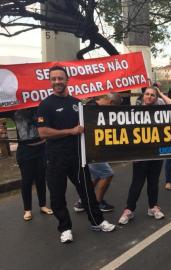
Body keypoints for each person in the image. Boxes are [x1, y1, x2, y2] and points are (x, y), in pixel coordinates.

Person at [37, 66, 115, 244]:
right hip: (55, 158)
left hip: (77, 157)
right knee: (57, 195)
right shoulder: (45, 104)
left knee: (86, 190)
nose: (57, 82)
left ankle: (97, 221)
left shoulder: (77, 103)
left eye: (60, 78)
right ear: (50, 81)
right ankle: (65, 228)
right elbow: (43, 132)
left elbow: (87, 127)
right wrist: (71, 131)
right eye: (54, 79)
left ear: (67, 80)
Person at [119, 87, 171, 224]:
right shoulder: (134, 111)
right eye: (147, 94)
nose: (149, 97)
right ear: (143, 96)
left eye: (153, 95)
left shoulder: (160, 109)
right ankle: (129, 210)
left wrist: (161, 92)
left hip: (157, 152)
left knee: (153, 181)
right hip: (140, 153)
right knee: (137, 182)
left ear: (156, 98)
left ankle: (153, 207)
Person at [73, 93, 122, 213]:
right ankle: (98, 203)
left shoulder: (92, 106)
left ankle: (81, 202)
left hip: (89, 149)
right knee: (107, 173)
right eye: (114, 107)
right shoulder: (92, 109)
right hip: (89, 150)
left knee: (96, 175)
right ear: (110, 103)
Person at [1, 108, 53, 221]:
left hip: (41, 148)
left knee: (41, 178)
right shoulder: (14, 110)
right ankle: (27, 209)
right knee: (27, 180)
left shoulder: (40, 108)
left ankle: (43, 205)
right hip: (25, 150)